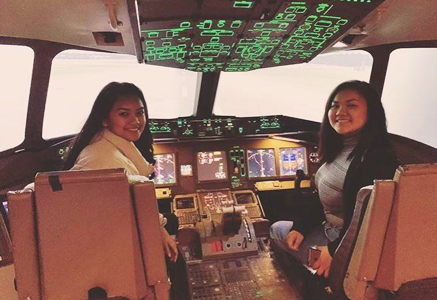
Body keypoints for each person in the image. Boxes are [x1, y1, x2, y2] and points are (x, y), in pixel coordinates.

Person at [270, 80, 399, 279]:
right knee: (286, 230)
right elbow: (322, 196)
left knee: (277, 230)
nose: (340, 112)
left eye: (351, 105)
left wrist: (333, 250)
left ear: (371, 112)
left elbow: (369, 220)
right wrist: (301, 227)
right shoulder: (342, 148)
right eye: (335, 105)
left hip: (348, 248)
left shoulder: (376, 159)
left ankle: (322, 278)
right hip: (330, 232)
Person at [63, 81, 179, 263]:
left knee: (171, 220)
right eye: (124, 114)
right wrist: (160, 231)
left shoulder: (110, 146)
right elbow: (127, 207)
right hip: (109, 247)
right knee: (175, 253)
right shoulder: (102, 159)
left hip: (114, 235)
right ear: (105, 119)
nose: (136, 121)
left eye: (140, 113)